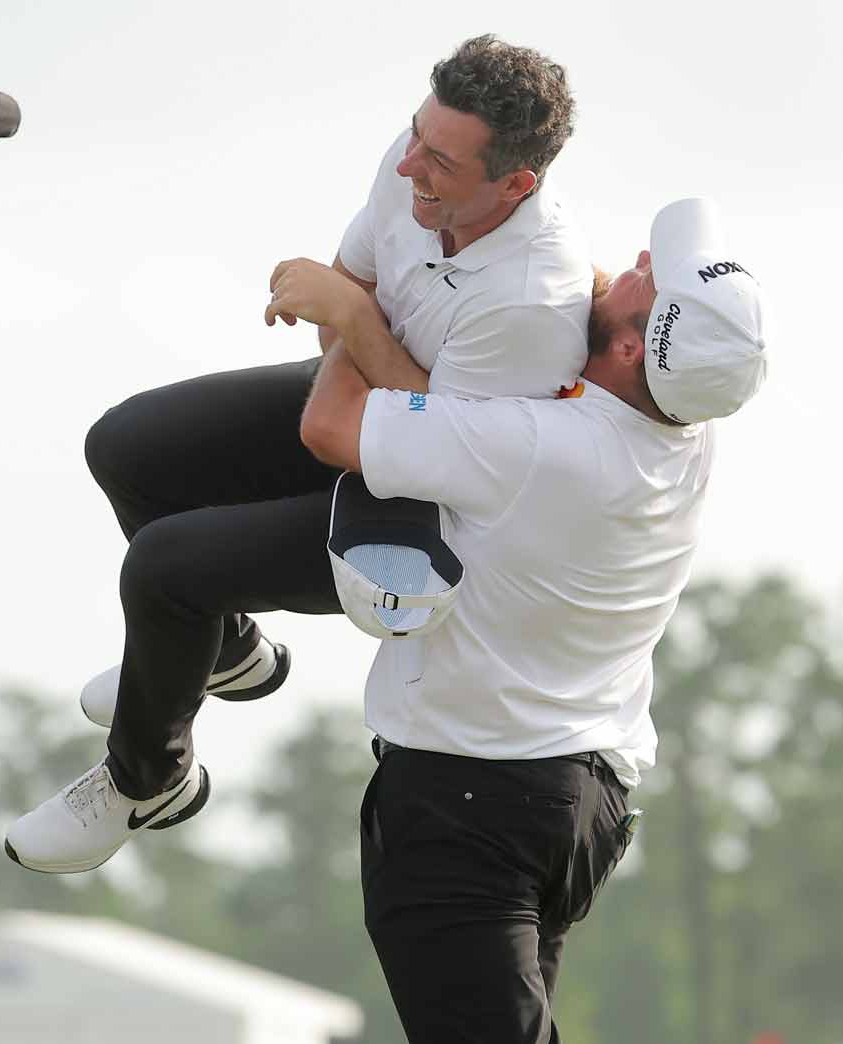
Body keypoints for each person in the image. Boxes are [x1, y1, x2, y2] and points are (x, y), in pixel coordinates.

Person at [5, 34, 592, 874]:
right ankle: (228, 651)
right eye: (416, 137)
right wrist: (353, 328)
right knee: (129, 447)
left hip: (447, 523)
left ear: (517, 183)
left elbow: (425, 447)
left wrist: (357, 321)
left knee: (168, 571)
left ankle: (146, 779)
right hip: (379, 410)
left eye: (440, 162)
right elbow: (338, 319)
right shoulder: (416, 164)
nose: (408, 169)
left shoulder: (534, 296)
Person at [293, 198, 769, 1042]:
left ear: (630, 347)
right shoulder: (684, 426)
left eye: (646, 279)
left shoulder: (552, 445)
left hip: (473, 798)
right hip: (578, 804)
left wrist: (350, 311)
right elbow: (564, 342)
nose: (631, 263)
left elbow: (335, 425)